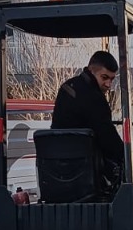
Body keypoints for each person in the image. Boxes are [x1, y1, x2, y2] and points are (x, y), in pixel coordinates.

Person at [51, 50, 125, 188]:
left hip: (56, 165)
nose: (108, 84)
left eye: (112, 79)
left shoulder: (67, 87)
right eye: (104, 77)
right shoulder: (95, 98)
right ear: (92, 70)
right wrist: (124, 155)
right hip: (85, 168)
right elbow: (107, 136)